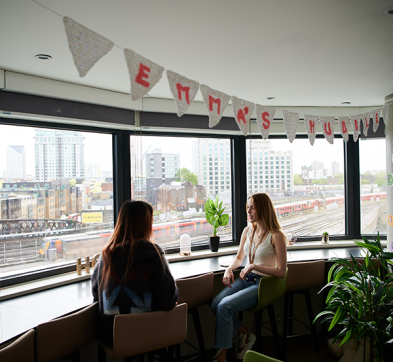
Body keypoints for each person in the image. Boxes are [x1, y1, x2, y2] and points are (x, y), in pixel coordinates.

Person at [211, 193, 287, 361]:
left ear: (263, 209)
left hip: (262, 285)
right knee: (216, 304)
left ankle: (220, 357)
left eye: (253, 207)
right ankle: (245, 333)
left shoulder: (276, 236)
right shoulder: (248, 231)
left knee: (224, 306)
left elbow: (281, 271)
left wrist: (253, 265)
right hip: (246, 280)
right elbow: (239, 258)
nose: (249, 211)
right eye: (248, 207)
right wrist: (229, 269)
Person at [92, 200, 178, 346]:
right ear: (146, 226)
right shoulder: (154, 254)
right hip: (148, 335)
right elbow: (167, 300)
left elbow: (96, 296)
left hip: (111, 337)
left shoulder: (105, 256)